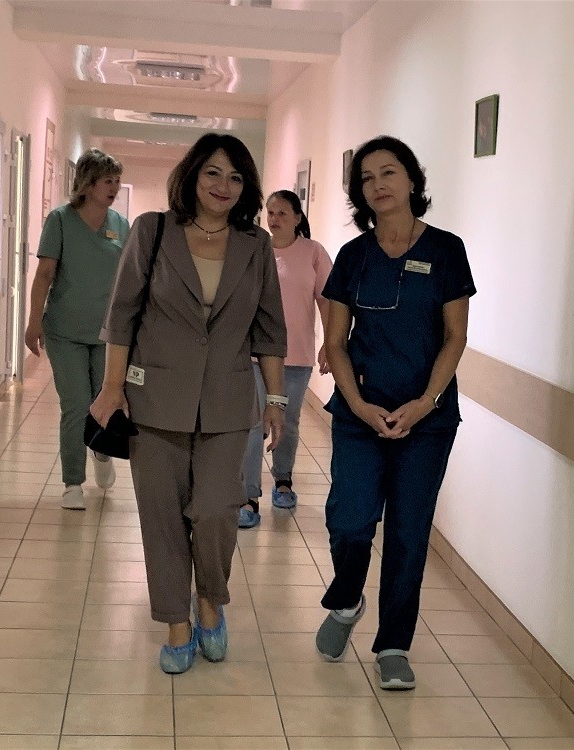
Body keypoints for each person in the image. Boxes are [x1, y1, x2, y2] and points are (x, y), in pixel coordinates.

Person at [90, 133, 287, 675]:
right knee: (161, 516)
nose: (224, 186)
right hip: (154, 399)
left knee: (218, 510)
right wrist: (111, 387)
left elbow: (270, 328)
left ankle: (210, 601)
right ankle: (177, 622)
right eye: (213, 173)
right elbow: (122, 313)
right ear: (192, 175)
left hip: (227, 402)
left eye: (236, 177)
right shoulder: (152, 231)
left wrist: (275, 398)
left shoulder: (255, 245)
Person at [314, 135, 475, 690]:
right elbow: (335, 342)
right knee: (350, 520)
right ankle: (347, 600)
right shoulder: (353, 257)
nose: (378, 185)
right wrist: (358, 404)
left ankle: (393, 646)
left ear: (411, 179)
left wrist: (425, 402)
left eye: (388, 172)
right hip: (360, 414)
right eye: (366, 178)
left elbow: (455, 336)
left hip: (426, 422)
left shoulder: (447, 250)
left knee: (408, 533)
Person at [25, 148, 128, 510]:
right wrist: (33, 320)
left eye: (117, 181)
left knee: (105, 402)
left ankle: (102, 450)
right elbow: (44, 274)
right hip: (65, 330)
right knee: (75, 404)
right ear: (87, 183)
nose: (114, 188)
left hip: (108, 334)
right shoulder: (60, 220)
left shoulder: (120, 225)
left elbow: (130, 279)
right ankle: (72, 483)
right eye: (107, 181)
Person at [239, 190, 333, 528]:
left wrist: (331, 343)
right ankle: (248, 496)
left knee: (287, 421)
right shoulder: (255, 248)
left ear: (297, 217)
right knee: (253, 423)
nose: (274, 218)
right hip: (255, 354)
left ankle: (283, 480)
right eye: (270, 212)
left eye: (282, 213)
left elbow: (327, 300)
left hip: (296, 355)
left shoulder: (313, 252)